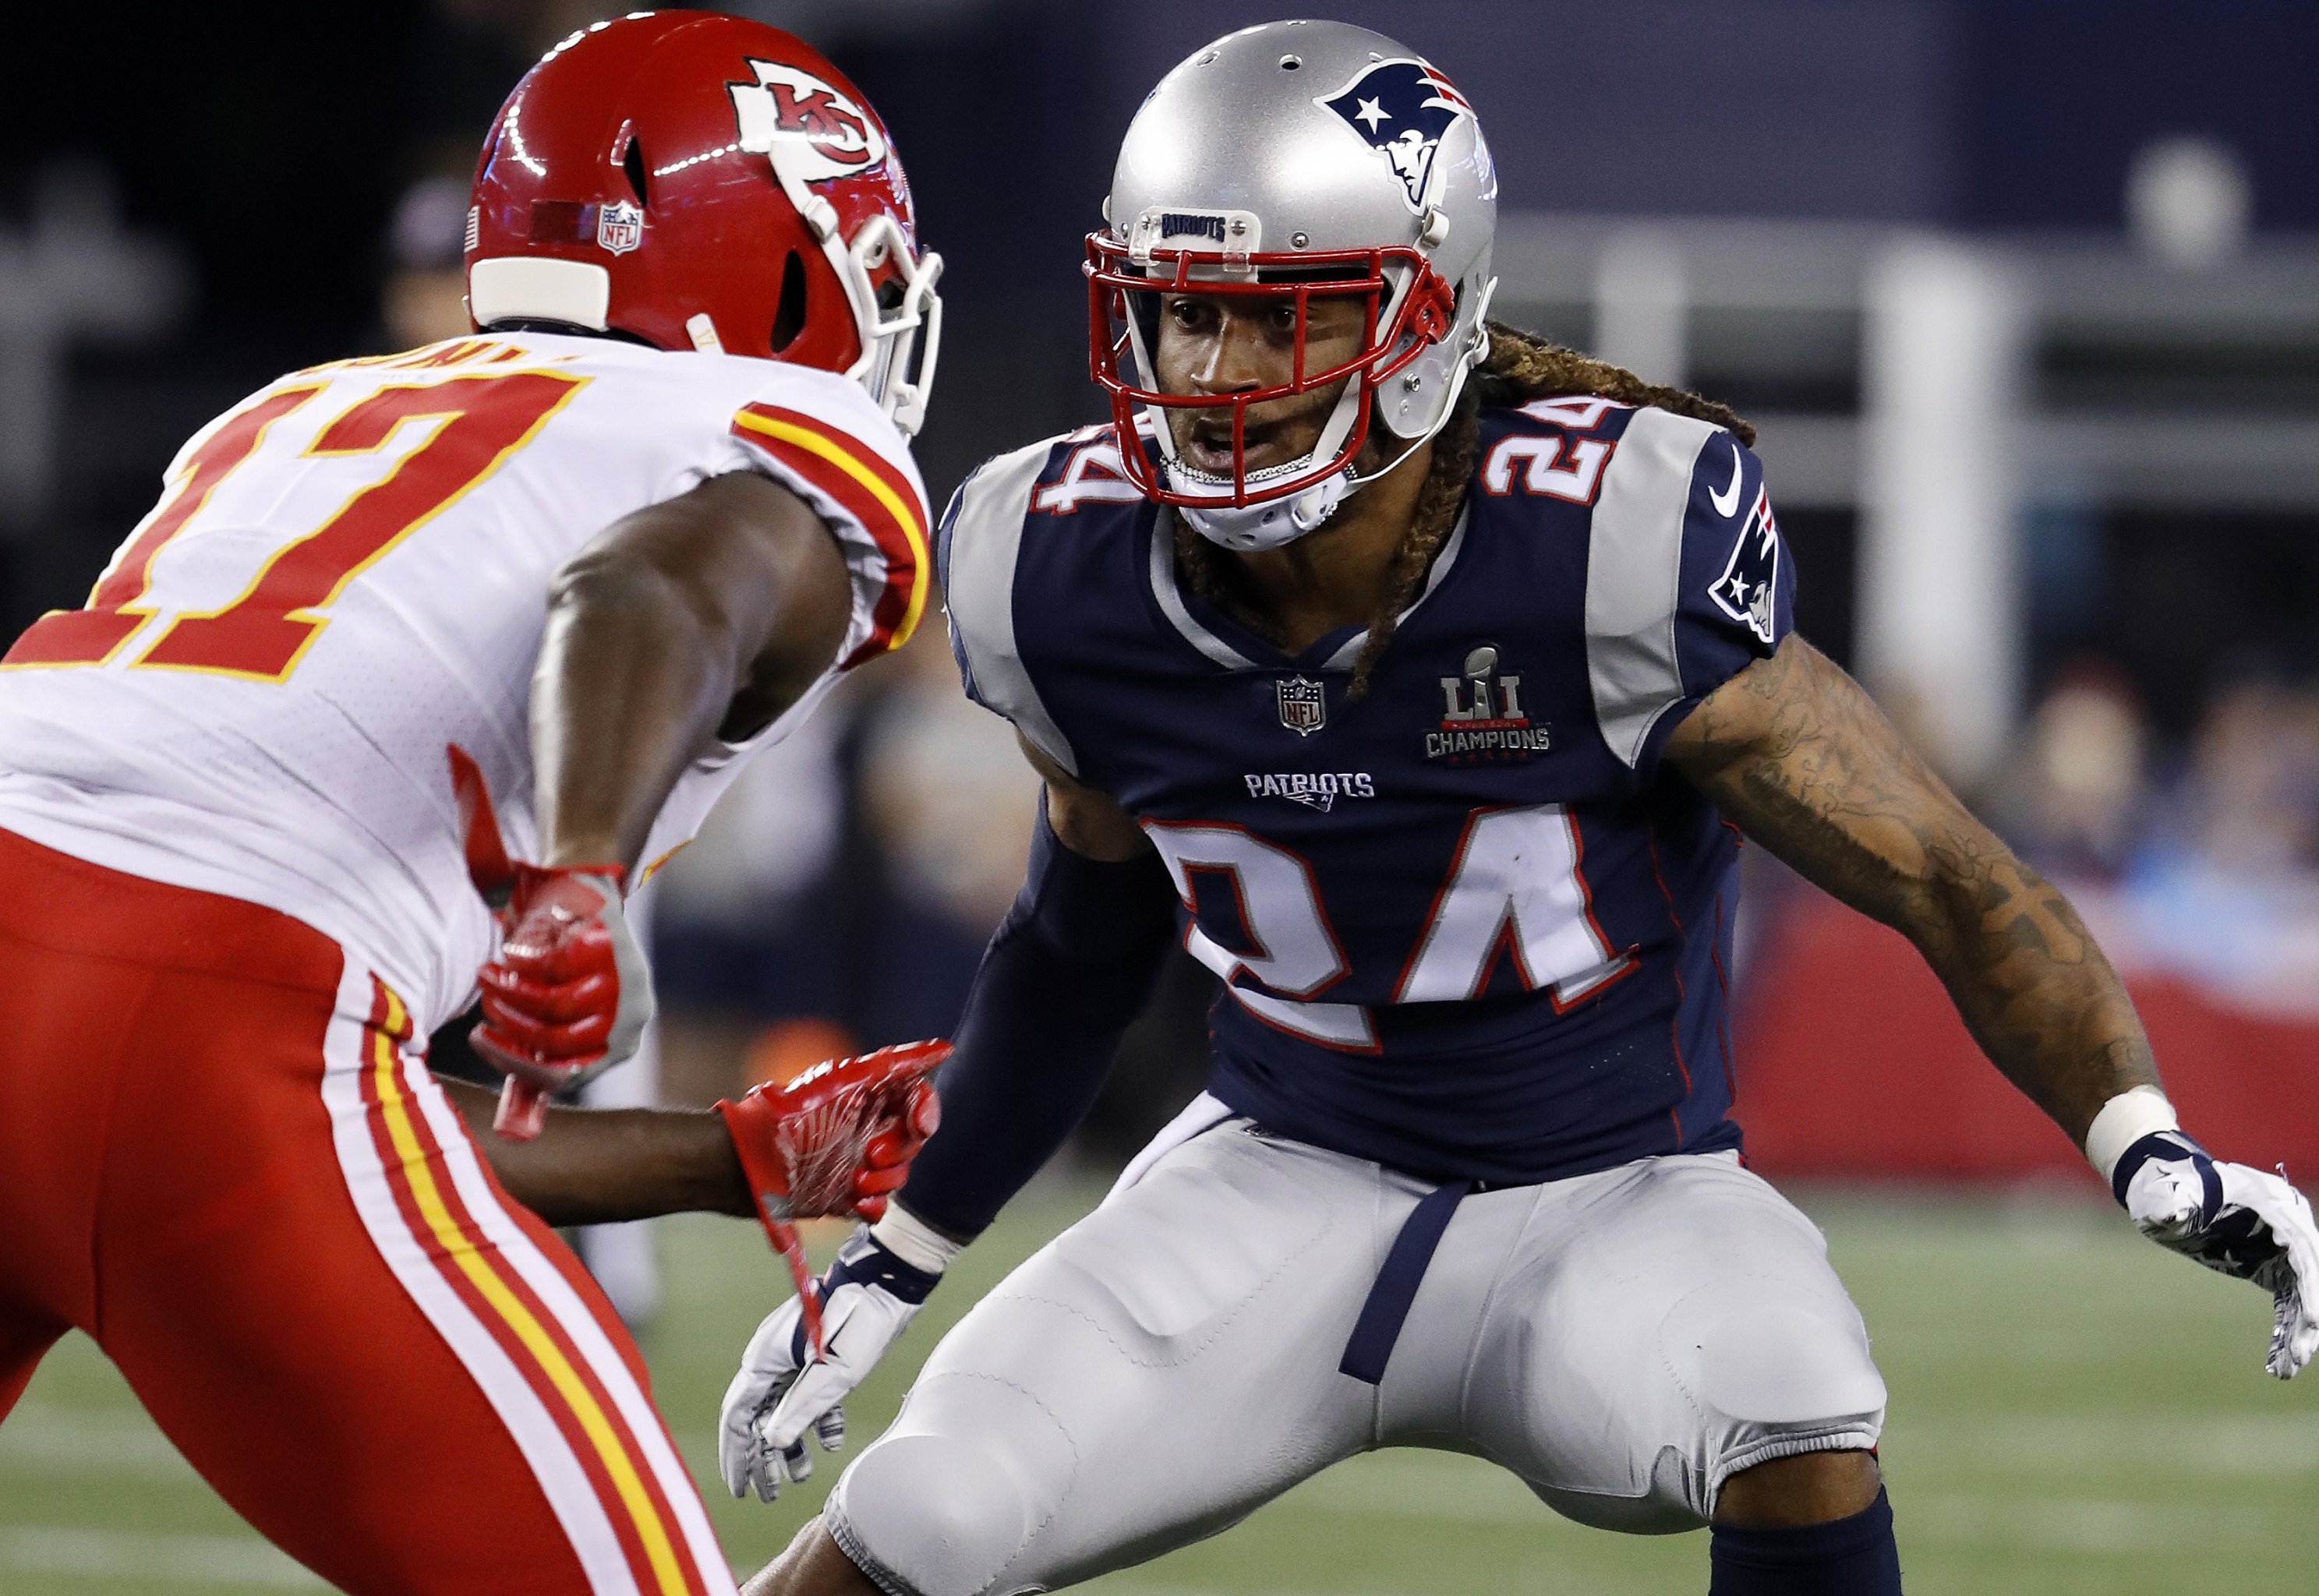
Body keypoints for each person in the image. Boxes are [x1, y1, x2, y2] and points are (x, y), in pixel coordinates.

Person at [698, 22, 2317, 1596]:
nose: (1221, 376)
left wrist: (2143, 1143)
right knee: (923, 1508)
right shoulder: (1054, 563)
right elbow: (1079, 937)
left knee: (1793, 1394)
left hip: (1610, 1200)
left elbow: (1950, 878)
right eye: (1184, 316)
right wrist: (897, 1260)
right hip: (1275, 1171)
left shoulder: (1604, 544)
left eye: (1290, 320)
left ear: (1431, 321)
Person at [0, 13, 947, 1595]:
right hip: (222, 1011)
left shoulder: (280, 429)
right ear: (795, 264)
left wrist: (731, 1157)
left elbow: (321, 1129)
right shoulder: (755, 438)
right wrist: (580, 874)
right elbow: (647, 583)